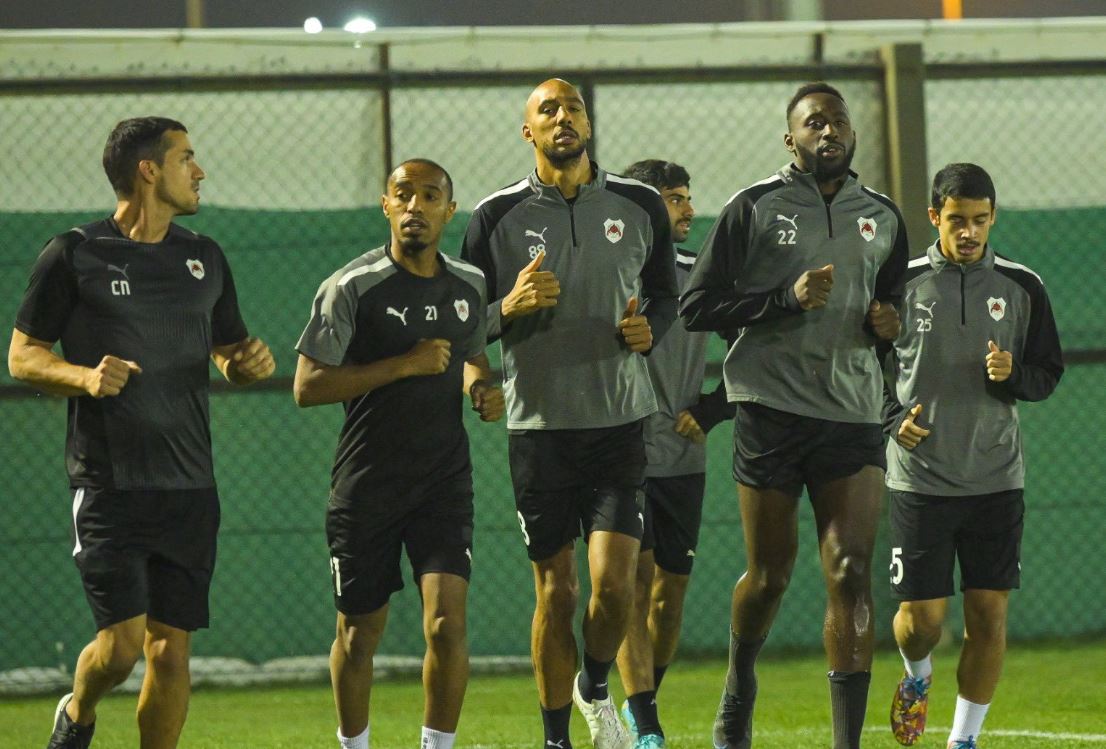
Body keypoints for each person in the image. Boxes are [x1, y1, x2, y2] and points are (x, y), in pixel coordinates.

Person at [7, 116, 276, 749]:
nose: (200, 170)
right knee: (123, 649)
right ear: (148, 170)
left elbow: (229, 350)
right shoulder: (74, 253)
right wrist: (83, 375)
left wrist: (245, 364)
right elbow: (22, 356)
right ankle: (78, 710)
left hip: (189, 488)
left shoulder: (204, 256)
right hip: (109, 485)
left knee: (170, 654)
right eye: (187, 157)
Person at [680, 82, 908, 749]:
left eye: (837, 121)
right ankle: (739, 683)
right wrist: (784, 296)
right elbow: (699, 307)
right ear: (791, 138)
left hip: (852, 412)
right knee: (770, 573)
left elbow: (888, 308)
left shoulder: (885, 216)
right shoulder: (753, 207)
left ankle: (847, 742)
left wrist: (887, 323)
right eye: (814, 123)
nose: (828, 131)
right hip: (770, 410)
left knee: (849, 566)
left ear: (853, 135)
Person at [461, 78, 678, 749]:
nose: (563, 117)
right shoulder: (494, 217)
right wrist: (507, 313)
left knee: (615, 591)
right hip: (540, 433)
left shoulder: (639, 204)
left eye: (573, 106)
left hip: (618, 426)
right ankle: (556, 737)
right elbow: (465, 323)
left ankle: (593, 682)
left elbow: (666, 298)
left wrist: (650, 332)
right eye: (547, 109)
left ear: (588, 123)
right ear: (528, 131)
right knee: (555, 591)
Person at [294, 159, 504, 749]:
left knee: (446, 623)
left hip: (443, 480)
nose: (415, 206)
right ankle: (354, 744)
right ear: (385, 206)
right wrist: (402, 366)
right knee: (360, 635)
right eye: (403, 195)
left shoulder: (469, 284)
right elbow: (307, 386)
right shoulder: (351, 286)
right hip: (368, 484)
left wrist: (481, 390)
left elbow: (470, 357)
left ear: (448, 209)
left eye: (429, 196)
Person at [883, 163, 1063, 749]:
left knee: (988, 618)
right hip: (920, 478)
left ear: (992, 218)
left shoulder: (1022, 286)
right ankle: (917, 676)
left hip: (995, 477)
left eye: (980, 220)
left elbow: (1047, 374)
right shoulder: (899, 284)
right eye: (957, 220)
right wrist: (892, 421)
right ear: (935, 217)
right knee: (922, 624)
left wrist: (1014, 377)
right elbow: (863, 370)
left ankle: (963, 740)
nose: (969, 232)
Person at [612, 160, 735, 749]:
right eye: (674, 199)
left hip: (683, 457)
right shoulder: (606, 274)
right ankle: (647, 726)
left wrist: (715, 408)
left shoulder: (698, 280)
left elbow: (763, 349)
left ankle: (642, 703)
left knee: (669, 591)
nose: (688, 210)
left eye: (688, 198)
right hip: (619, 455)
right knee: (632, 584)